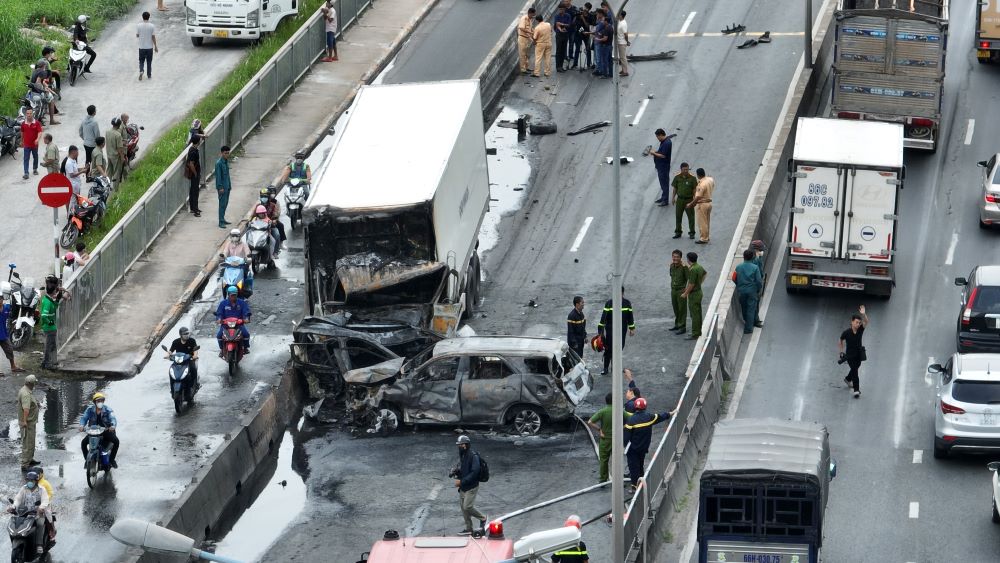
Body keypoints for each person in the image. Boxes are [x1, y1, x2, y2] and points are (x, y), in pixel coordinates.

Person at [623, 398, 674, 491]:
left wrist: (622, 447)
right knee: (640, 465)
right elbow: (660, 417)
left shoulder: (631, 420)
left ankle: (635, 487)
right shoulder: (649, 417)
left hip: (633, 449)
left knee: (633, 468)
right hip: (643, 447)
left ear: (635, 407)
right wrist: (671, 413)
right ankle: (642, 484)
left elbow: (625, 437)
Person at [587, 392, 630, 482]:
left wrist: (599, 430)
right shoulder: (620, 411)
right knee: (617, 461)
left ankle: (603, 479)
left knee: (603, 460)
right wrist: (623, 427)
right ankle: (618, 480)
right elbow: (631, 419)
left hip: (605, 440)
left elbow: (590, 422)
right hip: (617, 440)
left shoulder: (602, 411)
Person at [596, 287, 636, 376]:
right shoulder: (609, 303)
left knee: (619, 348)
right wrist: (600, 332)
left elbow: (630, 317)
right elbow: (603, 318)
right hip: (610, 331)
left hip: (622, 331)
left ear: (622, 293)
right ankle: (605, 368)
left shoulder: (627, 303)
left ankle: (615, 367)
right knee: (608, 349)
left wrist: (632, 328)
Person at [452, 435, 487, 535]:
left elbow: (474, 472)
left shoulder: (473, 456)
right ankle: (469, 528)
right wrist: (456, 472)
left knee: (467, 506)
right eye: (458, 445)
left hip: (471, 486)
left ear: (466, 445)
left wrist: (461, 482)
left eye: (461, 444)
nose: (459, 446)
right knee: (463, 509)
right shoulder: (463, 455)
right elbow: (464, 469)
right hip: (463, 487)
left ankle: (483, 518)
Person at [9, 471, 49, 559]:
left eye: (32, 480)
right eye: (28, 480)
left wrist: (41, 507)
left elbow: (45, 500)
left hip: (38, 513)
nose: (30, 482)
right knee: (16, 522)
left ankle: (39, 544)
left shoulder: (42, 489)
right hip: (24, 512)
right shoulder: (24, 488)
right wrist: (14, 506)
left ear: (36, 481)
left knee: (40, 524)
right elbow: (18, 499)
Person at [78, 392, 120, 468]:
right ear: (95, 402)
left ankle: (112, 460)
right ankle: (87, 461)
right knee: (83, 443)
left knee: (116, 441)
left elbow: (113, 418)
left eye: (101, 401)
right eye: (98, 401)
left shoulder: (108, 410)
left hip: (105, 431)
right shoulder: (90, 410)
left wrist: (113, 426)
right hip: (93, 432)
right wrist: (81, 425)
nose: (100, 402)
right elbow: (84, 418)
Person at [839, 305, 869, 398]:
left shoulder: (860, 330)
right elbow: (840, 340)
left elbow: (866, 322)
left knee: (857, 366)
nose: (858, 324)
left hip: (859, 354)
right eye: (856, 322)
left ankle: (848, 379)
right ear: (852, 322)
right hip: (850, 356)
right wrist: (841, 352)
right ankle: (856, 390)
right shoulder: (846, 332)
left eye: (859, 323)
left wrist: (864, 314)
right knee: (855, 371)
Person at [40, 276, 69, 369]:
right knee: (49, 347)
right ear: (53, 292)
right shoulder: (48, 302)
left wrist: (57, 300)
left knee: (51, 345)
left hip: (50, 328)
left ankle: (49, 362)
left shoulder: (48, 299)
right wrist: (51, 323)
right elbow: (44, 316)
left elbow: (55, 306)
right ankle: (47, 364)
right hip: (49, 328)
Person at [734, 249, 764, 334]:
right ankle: (748, 328)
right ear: (752, 257)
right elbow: (758, 280)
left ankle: (747, 321)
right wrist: (758, 289)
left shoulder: (738, 267)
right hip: (752, 291)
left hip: (742, 291)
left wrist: (739, 285)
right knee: (751, 309)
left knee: (744, 307)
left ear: (744, 257)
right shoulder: (755, 267)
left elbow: (734, 278)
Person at [216, 286, 251, 353]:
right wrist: (219, 319)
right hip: (226, 325)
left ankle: (245, 348)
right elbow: (219, 313)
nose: (233, 297)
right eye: (232, 295)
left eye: (235, 295)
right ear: (228, 294)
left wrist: (246, 318)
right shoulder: (223, 303)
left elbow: (246, 312)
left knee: (246, 335)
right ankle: (222, 349)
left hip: (238, 325)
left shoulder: (242, 303)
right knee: (219, 336)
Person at [1, 284, 26, 375]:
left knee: (9, 350)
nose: (0, 300)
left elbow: (13, 314)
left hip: (4, 334)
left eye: (1, 299)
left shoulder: (6, 308)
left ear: (3, 299)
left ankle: (13, 367)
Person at [681, 252, 706, 340]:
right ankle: (698, 331)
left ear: (688, 259)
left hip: (694, 294)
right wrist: (699, 283)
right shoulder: (698, 267)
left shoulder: (693, 270)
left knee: (694, 314)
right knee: (698, 313)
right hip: (698, 291)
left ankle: (695, 333)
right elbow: (704, 274)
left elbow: (691, 284)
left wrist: (685, 293)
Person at [17, 375, 40, 470]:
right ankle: (25, 464)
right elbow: (26, 409)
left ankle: (30, 459)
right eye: (34, 382)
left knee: (31, 442)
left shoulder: (25, 390)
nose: (35, 384)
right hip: (28, 423)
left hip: (31, 422)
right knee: (27, 443)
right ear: (31, 384)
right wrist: (25, 421)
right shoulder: (26, 394)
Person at [29, 466, 56, 541]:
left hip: (45, 502)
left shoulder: (45, 483)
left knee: (47, 514)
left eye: (37, 474)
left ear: (41, 474)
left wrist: (45, 501)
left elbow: (50, 493)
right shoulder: (32, 482)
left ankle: (51, 530)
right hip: (34, 502)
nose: (36, 476)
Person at [689, 168, 715, 244]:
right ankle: (707, 236)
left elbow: (697, 197)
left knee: (702, 222)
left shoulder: (701, 184)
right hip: (709, 203)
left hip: (702, 204)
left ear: (698, 175)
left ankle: (703, 238)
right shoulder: (710, 180)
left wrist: (691, 204)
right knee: (707, 221)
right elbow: (712, 180)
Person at [670, 163, 697, 238]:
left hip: (689, 200)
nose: (686, 171)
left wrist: (694, 200)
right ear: (681, 169)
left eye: (687, 169)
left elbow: (694, 189)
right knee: (678, 216)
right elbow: (675, 188)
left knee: (691, 217)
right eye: (684, 169)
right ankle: (678, 232)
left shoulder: (692, 178)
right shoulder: (677, 177)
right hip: (680, 200)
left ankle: (692, 233)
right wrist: (673, 198)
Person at [650, 129, 672, 206]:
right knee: (662, 183)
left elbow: (663, 155)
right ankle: (663, 197)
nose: (657, 139)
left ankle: (665, 200)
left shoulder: (667, 143)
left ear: (661, 135)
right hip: (661, 166)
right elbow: (661, 152)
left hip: (664, 167)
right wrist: (655, 152)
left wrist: (653, 153)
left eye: (657, 137)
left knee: (664, 183)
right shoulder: (664, 142)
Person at [64, 145, 89, 213]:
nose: (78, 154)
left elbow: (75, 169)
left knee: (77, 199)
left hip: (76, 183)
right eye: (77, 152)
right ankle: (72, 214)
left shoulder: (73, 160)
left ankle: (75, 212)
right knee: (73, 201)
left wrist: (83, 168)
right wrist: (82, 172)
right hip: (73, 184)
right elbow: (72, 175)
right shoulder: (69, 163)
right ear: (73, 152)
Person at [669, 250, 688, 334]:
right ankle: (677, 324)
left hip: (681, 290)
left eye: (677, 257)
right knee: (675, 308)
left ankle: (682, 326)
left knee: (682, 309)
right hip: (673, 290)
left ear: (680, 258)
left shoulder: (684, 267)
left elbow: (689, 279)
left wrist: (686, 290)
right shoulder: (671, 266)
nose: (675, 258)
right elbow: (671, 276)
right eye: (674, 256)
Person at [20, 108, 42, 180]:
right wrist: (21, 141)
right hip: (27, 144)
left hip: (34, 145)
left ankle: (35, 169)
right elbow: (22, 132)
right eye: (27, 113)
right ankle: (26, 173)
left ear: (33, 114)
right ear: (26, 114)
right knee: (26, 158)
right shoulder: (23, 124)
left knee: (35, 157)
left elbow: (40, 132)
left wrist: (37, 139)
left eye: (30, 113)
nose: (29, 115)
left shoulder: (37, 123)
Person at [137, 11, 158, 80]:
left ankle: (141, 70)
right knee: (149, 62)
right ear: (149, 17)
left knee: (141, 61)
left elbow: (137, 35)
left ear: (142, 17)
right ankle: (149, 75)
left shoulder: (139, 25)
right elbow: (153, 37)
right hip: (149, 48)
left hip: (141, 47)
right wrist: (155, 46)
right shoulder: (152, 26)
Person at [105, 117, 126, 188]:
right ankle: (116, 188)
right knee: (117, 172)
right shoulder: (118, 135)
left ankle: (106, 186)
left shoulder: (107, 132)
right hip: (116, 156)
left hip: (109, 154)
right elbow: (120, 148)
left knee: (109, 171)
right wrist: (122, 158)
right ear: (119, 125)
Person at [572, 3, 593, 70]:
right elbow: (574, 23)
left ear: (589, 9)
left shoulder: (590, 16)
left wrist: (583, 18)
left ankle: (588, 64)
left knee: (588, 49)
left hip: (586, 33)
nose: (585, 9)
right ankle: (575, 64)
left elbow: (587, 25)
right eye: (585, 7)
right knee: (577, 49)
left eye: (587, 8)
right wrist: (577, 15)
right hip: (579, 33)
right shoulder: (579, 14)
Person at [216, 146, 232, 228]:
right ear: (222, 153)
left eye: (228, 153)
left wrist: (229, 185)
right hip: (222, 187)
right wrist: (220, 187)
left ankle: (223, 219)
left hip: (227, 186)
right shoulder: (219, 163)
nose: (227, 155)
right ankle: (220, 221)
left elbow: (227, 176)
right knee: (222, 204)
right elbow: (218, 177)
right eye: (225, 153)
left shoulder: (226, 162)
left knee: (225, 203)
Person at [186, 135, 202, 217]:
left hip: (194, 173)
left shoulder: (192, 149)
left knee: (193, 190)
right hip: (194, 174)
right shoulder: (193, 151)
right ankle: (195, 209)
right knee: (195, 191)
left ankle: (193, 207)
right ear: (198, 142)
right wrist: (195, 173)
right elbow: (191, 164)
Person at [592, 10, 611, 78]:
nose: (596, 15)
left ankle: (600, 70)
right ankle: (599, 69)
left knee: (599, 57)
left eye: (598, 14)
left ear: (601, 14)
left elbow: (596, 31)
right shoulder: (599, 21)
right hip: (597, 41)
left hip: (599, 41)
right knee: (597, 57)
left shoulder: (602, 22)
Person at [517, 8, 537, 74]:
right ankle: (523, 70)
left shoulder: (530, 20)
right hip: (522, 38)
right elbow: (521, 28)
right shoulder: (524, 18)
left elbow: (531, 29)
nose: (533, 17)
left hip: (527, 39)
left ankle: (526, 67)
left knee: (526, 54)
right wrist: (530, 32)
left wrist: (535, 32)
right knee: (522, 54)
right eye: (533, 15)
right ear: (530, 13)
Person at [554, 6, 572, 72]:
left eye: (562, 9)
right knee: (558, 50)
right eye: (560, 9)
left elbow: (569, 24)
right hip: (559, 35)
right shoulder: (557, 16)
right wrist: (561, 28)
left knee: (563, 50)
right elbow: (556, 25)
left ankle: (561, 66)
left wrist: (561, 24)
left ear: (564, 9)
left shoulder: (568, 16)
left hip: (565, 34)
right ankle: (558, 66)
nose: (561, 10)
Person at [616, 10, 630, 76]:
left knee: (623, 57)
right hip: (620, 41)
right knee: (621, 57)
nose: (618, 15)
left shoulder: (623, 24)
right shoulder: (620, 22)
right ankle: (623, 70)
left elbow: (626, 34)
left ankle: (625, 71)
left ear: (621, 16)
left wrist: (627, 41)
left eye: (619, 14)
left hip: (622, 42)